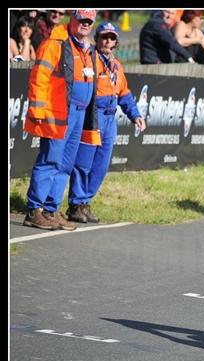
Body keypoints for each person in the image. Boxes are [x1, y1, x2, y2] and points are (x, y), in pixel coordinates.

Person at [22, 9, 101, 231]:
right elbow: (39, 77)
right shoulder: (54, 43)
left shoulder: (86, 48)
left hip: (79, 114)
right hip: (57, 114)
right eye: (81, 19)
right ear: (72, 19)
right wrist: (38, 111)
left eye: (89, 21)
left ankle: (51, 210)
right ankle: (34, 210)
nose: (85, 24)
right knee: (50, 161)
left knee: (65, 165)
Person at [67, 22, 146, 224]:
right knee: (83, 163)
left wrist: (135, 115)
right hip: (93, 115)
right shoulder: (90, 59)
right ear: (97, 39)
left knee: (101, 165)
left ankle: (85, 202)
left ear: (116, 42)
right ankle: (76, 204)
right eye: (104, 37)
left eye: (111, 38)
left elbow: (124, 93)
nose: (107, 41)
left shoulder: (117, 65)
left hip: (111, 118)